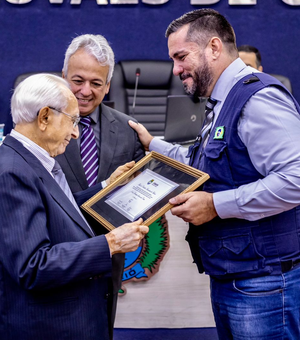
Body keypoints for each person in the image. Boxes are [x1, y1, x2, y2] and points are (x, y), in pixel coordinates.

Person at [129, 9, 300, 339]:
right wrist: (153, 145)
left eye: (181, 57)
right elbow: (205, 163)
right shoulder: (220, 103)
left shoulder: (258, 99)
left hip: (262, 283)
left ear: (214, 47)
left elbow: (295, 179)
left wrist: (216, 205)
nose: (176, 69)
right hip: (234, 277)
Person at [0, 73, 148, 340]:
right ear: (44, 117)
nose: (76, 132)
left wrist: (106, 187)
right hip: (51, 328)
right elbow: (33, 266)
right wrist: (111, 243)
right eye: (73, 120)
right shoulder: (12, 172)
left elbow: (60, 212)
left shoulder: (30, 161)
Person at [55, 34, 145, 334]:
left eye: (96, 83)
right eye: (77, 80)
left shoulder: (127, 129)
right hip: (54, 258)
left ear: (107, 86)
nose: (85, 91)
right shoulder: (38, 124)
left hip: (108, 264)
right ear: (63, 76)